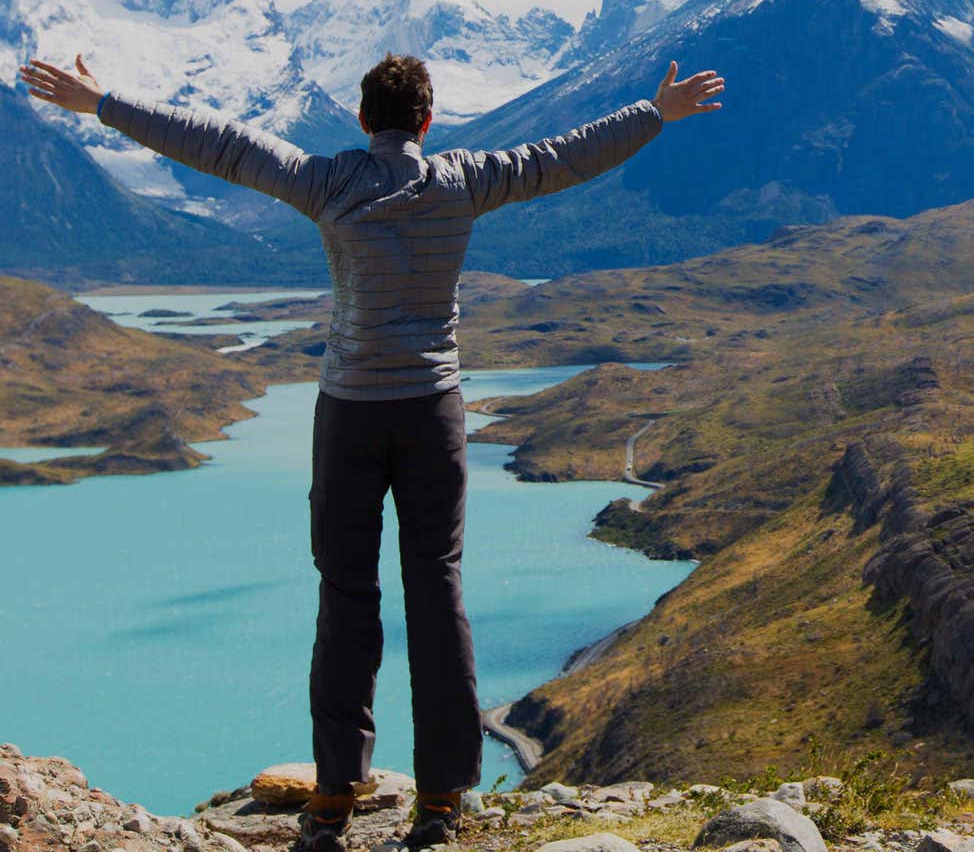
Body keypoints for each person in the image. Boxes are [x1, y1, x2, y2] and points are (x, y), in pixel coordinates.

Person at [16, 51, 724, 851]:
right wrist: (654, 113)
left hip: (349, 412)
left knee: (346, 595)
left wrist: (104, 100)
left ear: (362, 120)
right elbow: (563, 157)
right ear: (428, 121)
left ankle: (332, 797)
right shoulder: (465, 179)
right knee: (438, 591)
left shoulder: (328, 183)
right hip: (434, 413)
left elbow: (218, 143)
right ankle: (442, 799)